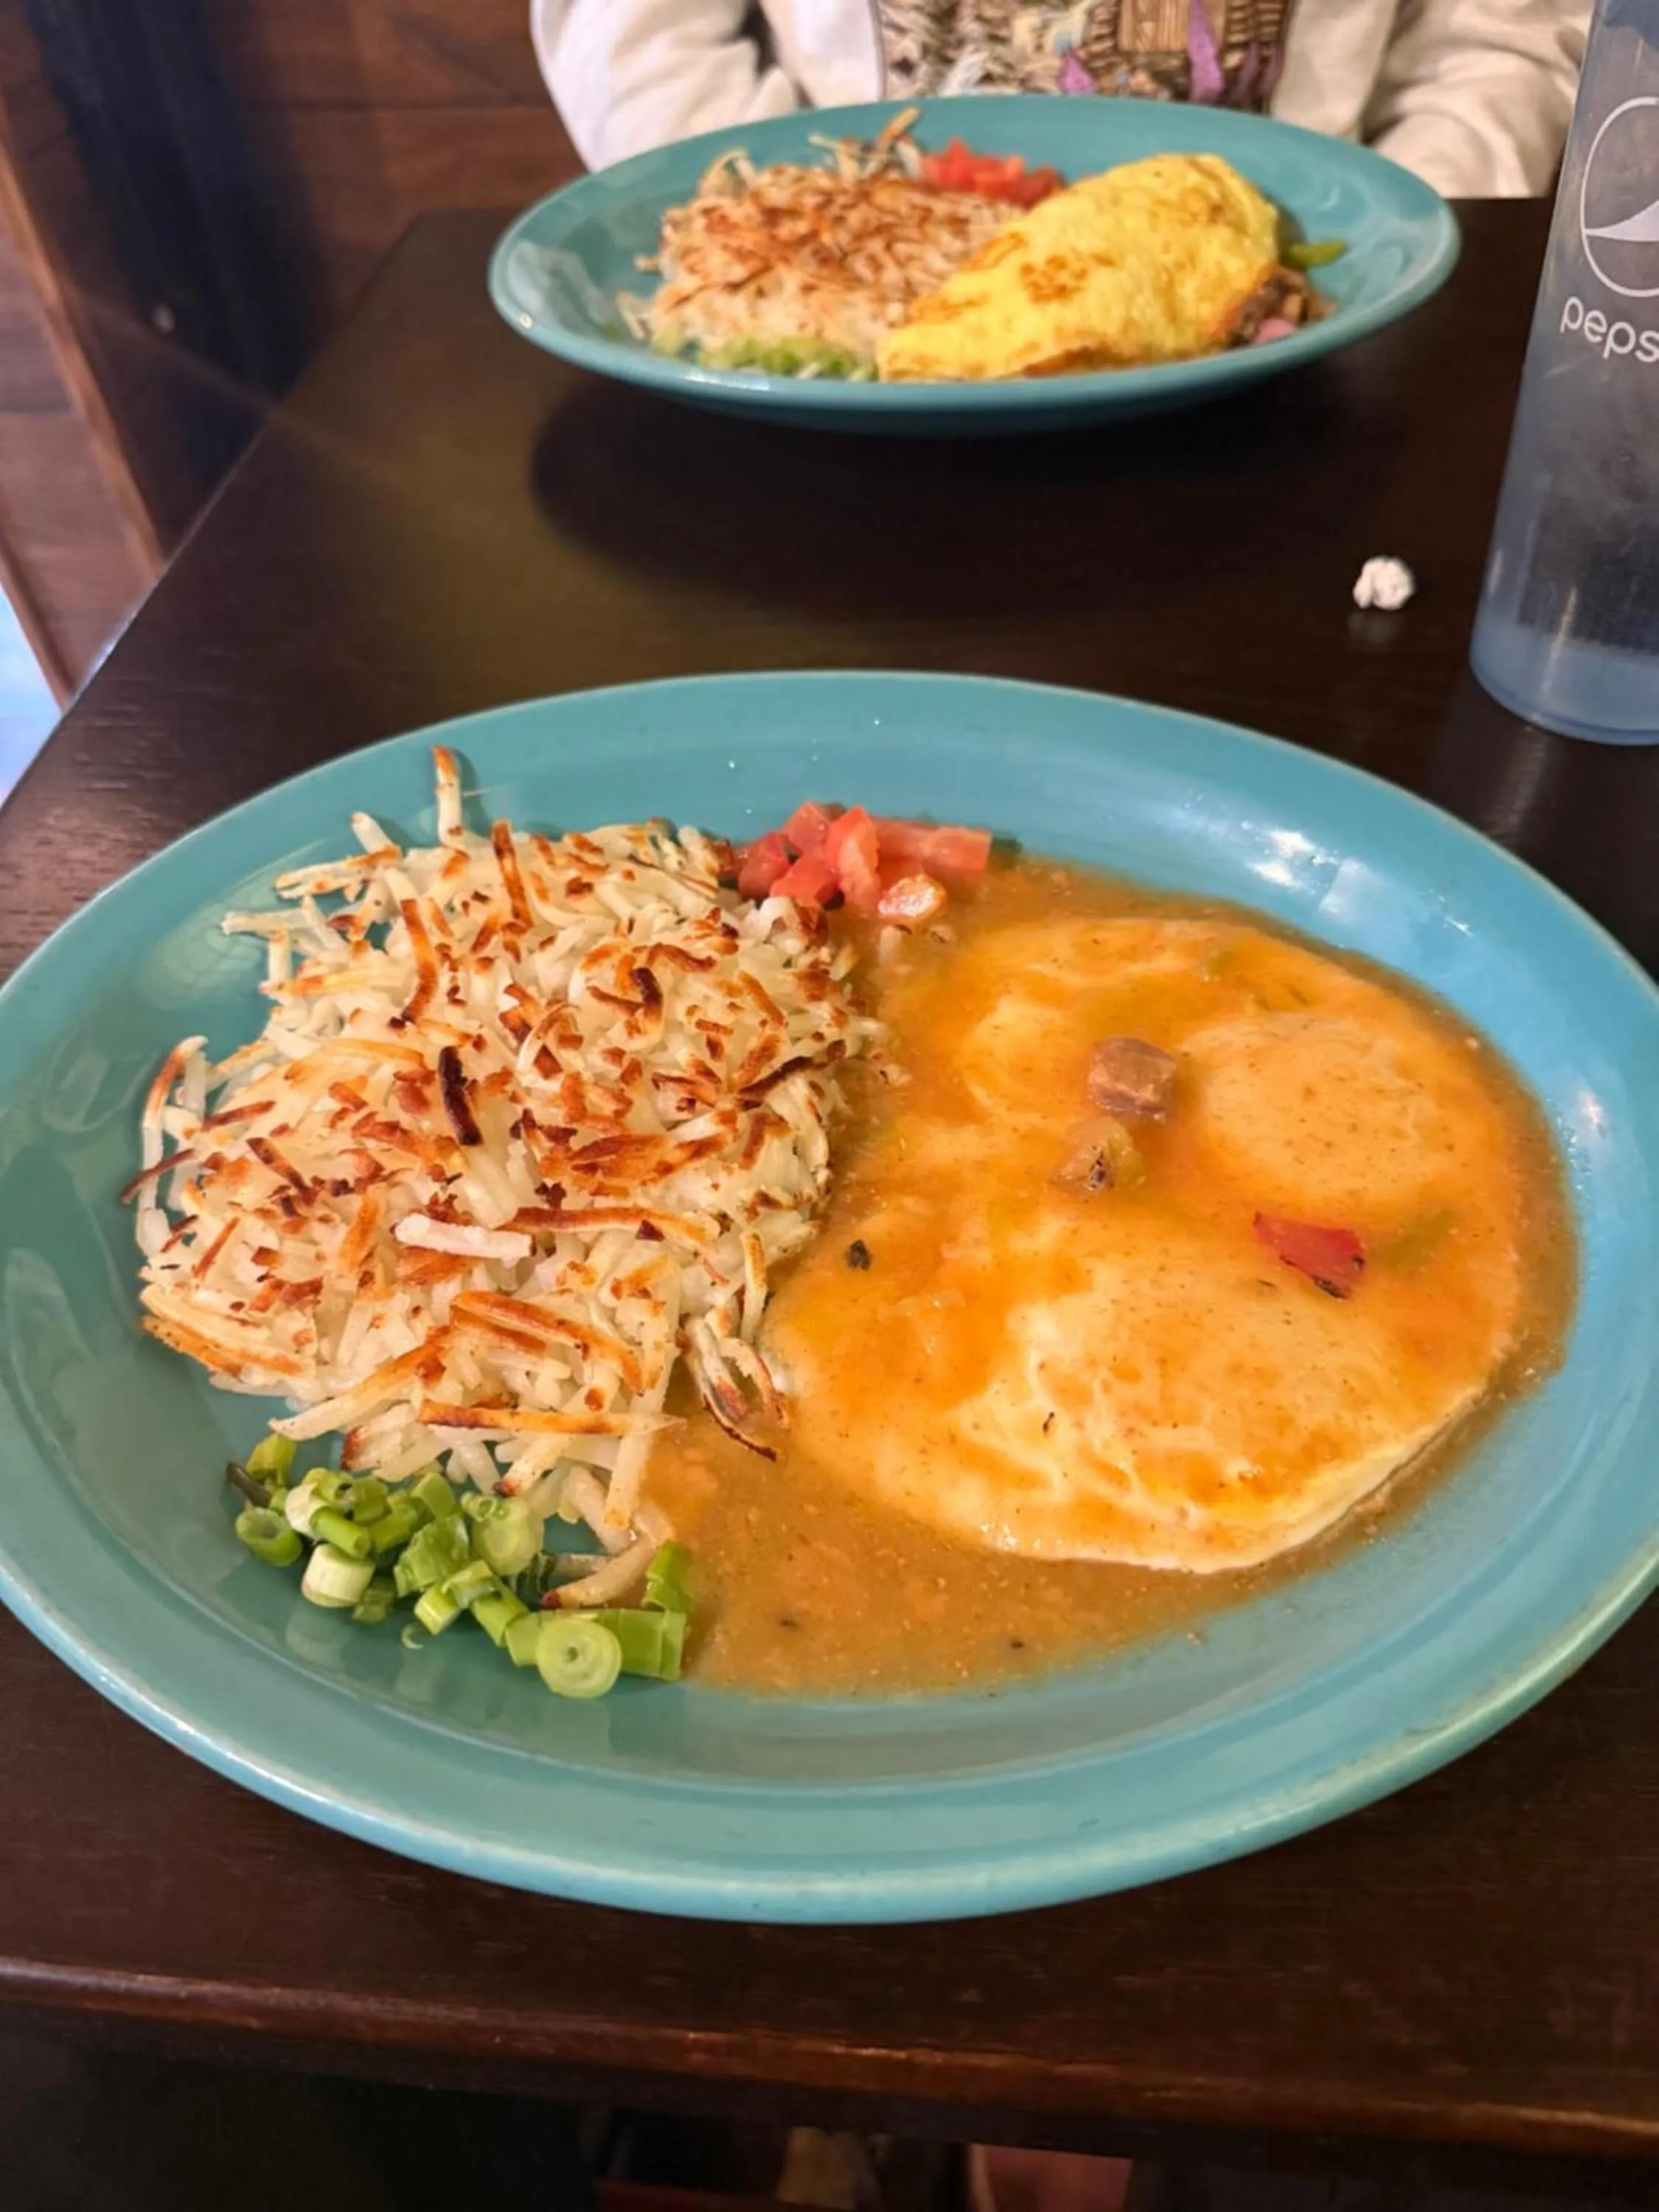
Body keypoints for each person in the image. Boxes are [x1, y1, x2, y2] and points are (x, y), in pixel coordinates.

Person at [533, 1, 1589, 200]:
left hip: (1297, 343)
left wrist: (1381, 241)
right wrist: (798, 238)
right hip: (856, 321)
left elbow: (1495, 39)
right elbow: (634, 39)